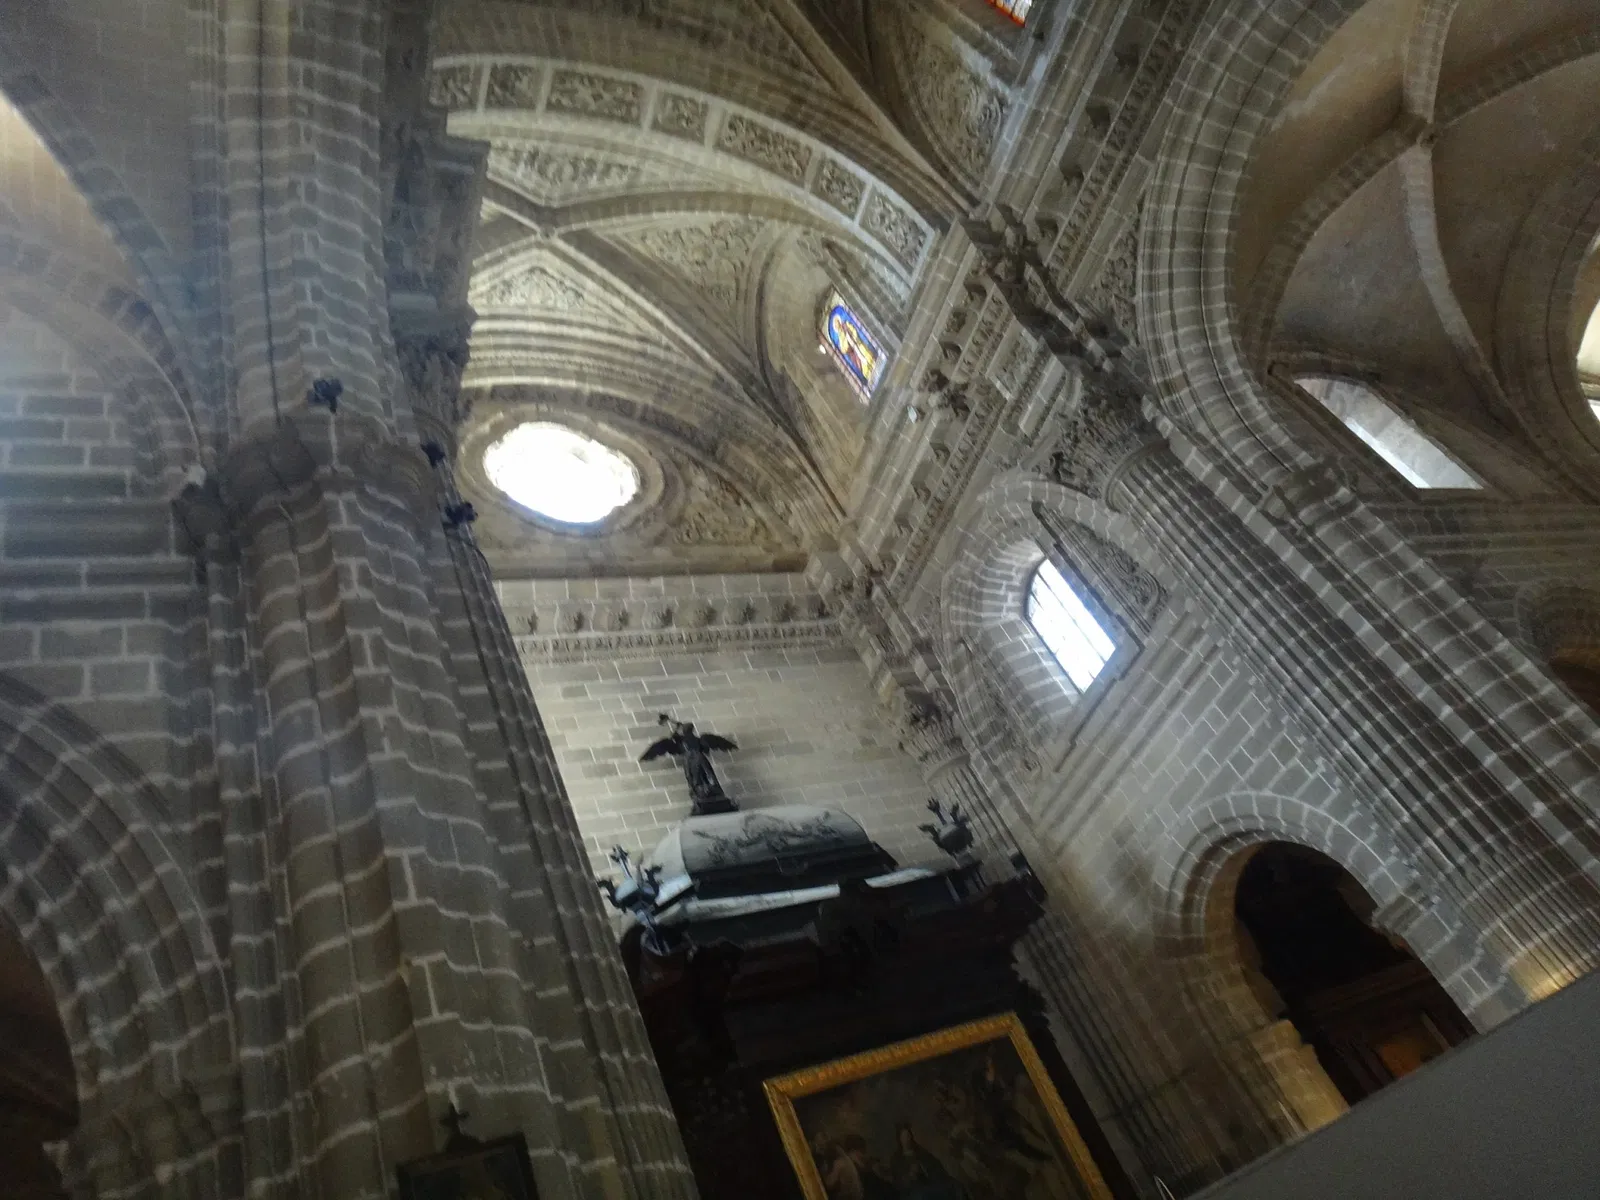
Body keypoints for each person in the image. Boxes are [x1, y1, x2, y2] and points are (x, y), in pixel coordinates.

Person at [889, 1124, 965, 1200]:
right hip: (914, 1190)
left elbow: (935, 1165)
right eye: (904, 1137)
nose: (907, 1139)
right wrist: (911, 1175)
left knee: (955, 1185)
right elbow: (898, 1183)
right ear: (900, 1139)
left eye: (908, 1135)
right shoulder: (897, 1159)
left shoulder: (921, 1152)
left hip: (931, 1182)